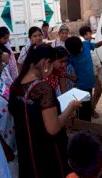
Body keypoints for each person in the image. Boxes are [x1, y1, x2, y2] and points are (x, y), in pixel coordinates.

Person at [9, 44, 82, 178]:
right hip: (45, 151)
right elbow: (53, 128)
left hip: (26, 149)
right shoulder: (43, 88)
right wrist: (71, 107)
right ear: (46, 62)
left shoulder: (16, 85)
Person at [65, 35, 102, 121]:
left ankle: (87, 126)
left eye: (80, 48)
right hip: (80, 87)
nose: (80, 50)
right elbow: (63, 68)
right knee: (82, 110)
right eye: (77, 50)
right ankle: (83, 127)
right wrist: (69, 76)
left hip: (89, 85)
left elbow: (96, 45)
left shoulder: (86, 44)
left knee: (87, 109)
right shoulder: (71, 57)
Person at [79, 26, 102, 119]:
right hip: (88, 74)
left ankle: (91, 109)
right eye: (90, 33)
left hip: (95, 73)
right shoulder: (83, 45)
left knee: (98, 91)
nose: (91, 34)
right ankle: (89, 111)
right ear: (85, 35)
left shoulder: (91, 42)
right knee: (89, 94)